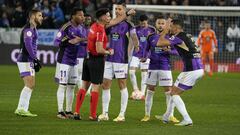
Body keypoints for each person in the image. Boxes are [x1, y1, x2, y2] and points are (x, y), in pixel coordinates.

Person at [73, 8, 134, 120]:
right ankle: (92, 115)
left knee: (83, 87)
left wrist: (126, 14)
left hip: (87, 59)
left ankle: (76, 112)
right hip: (96, 61)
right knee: (95, 88)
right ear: (102, 17)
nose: (109, 18)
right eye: (107, 15)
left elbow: (115, 21)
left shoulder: (93, 26)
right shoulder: (101, 30)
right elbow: (99, 49)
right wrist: (108, 51)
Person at [157, 18, 204, 126]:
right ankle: (166, 116)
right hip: (193, 68)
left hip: (192, 69)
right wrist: (170, 49)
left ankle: (187, 119)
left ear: (177, 27)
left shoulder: (178, 37)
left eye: (171, 26)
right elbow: (183, 50)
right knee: (172, 91)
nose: (169, 28)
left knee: (174, 94)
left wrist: (165, 28)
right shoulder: (186, 35)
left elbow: (159, 42)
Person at [98, 2, 139, 122]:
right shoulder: (109, 23)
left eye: (119, 9)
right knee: (105, 85)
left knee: (122, 84)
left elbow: (134, 38)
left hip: (121, 59)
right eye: (116, 9)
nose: (117, 11)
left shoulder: (129, 25)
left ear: (124, 10)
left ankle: (122, 115)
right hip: (109, 58)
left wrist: (137, 46)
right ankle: (105, 113)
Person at [140, 16, 179, 123]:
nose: (161, 25)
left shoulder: (170, 37)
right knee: (150, 90)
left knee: (169, 92)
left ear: (166, 25)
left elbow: (177, 52)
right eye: (159, 23)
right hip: (152, 67)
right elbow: (146, 49)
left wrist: (168, 51)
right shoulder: (150, 36)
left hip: (165, 67)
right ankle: (147, 115)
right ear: (155, 24)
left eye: (163, 23)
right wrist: (144, 57)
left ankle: (170, 115)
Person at [54, 7, 85, 119]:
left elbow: (83, 39)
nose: (83, 17)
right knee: (62, 85)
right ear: (73, 16)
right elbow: (56, 42)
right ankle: (60, 111)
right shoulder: (66, 27)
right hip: (64, 60)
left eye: (83, 15)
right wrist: (68, 41)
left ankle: (69, 110)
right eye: (80, 15)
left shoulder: (81, 28)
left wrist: (80, 40)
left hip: (74, 61)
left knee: (72, 86)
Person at [14, 9, 43, 117]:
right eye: (39, 15)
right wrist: (34, 58)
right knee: (29, 84)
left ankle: (22, 108)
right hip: (26, 59)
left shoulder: (32, 28)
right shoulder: (29, 28)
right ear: (32, 16)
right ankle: (21, 108)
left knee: (31, 85)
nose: (42, 17)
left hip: (28, 59)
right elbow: (28, 44)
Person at [129, 14, 155, 100]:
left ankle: (143, 94)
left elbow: (153, 43)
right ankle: (136, 91)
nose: (143, 25)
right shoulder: (135, 29)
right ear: (139, 22)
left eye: (144, 23)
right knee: (131, 72)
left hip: (146, 55)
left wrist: (150, 55)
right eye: (141, 23)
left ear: (147, 21)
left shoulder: (152, 29)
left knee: (144, 73)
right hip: (136, 54)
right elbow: (132, 41)